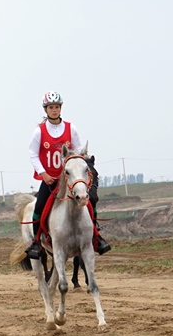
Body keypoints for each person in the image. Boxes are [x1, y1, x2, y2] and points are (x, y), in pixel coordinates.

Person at [25, 91, 110, 259]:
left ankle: (96, 236)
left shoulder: (71, 128)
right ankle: (36, 242)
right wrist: (43, 174)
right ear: (46, 109)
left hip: (69, 178)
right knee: (39, 205)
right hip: (50, 179)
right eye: (51, 107)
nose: (54, 110)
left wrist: (76, 170)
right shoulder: (39, 132)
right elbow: (32, 154)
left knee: (89, 200)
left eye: (56, 107)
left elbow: (78, 151)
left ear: (60, 108)